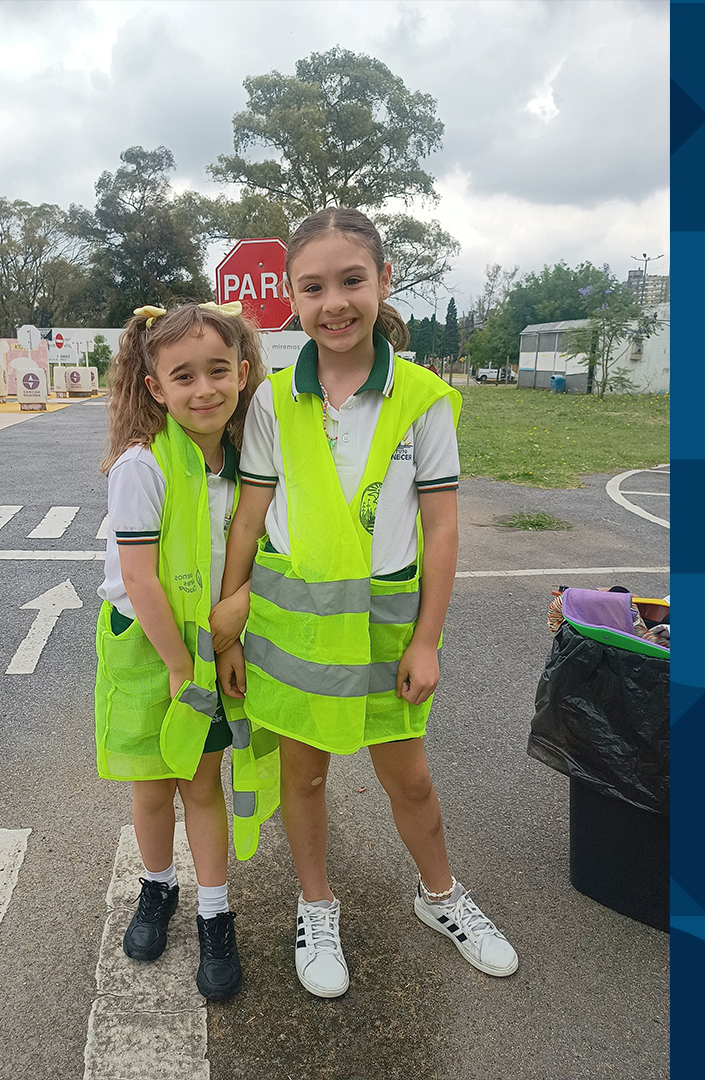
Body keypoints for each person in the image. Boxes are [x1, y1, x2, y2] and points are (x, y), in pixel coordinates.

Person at [214, 208, 518, 998]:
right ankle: (317, 906)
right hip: (293, 635)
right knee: (305, 779)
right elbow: (249, 518)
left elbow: (441, 526)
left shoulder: (423, 398)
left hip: (388, 635)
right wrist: (229, 627)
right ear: (291, 298)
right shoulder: (271, 402)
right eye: (312, 287)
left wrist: (427, 640)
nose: (334, 303)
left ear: (384, 280)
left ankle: (441, 898)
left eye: (352, 280)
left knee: (409, 781)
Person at [94, 299, 269, 1001]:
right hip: (150, 648)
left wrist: (228, 640)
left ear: (243, 373)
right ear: (155, 388)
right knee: (152, 787)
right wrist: (177, 665)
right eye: (183, 376)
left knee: (202, 784)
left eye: (218, 370)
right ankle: (159, 887)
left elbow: (253, 554)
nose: (204, 389)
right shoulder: (142, 465)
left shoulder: (247, 465)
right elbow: (139, 578)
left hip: (208, 644)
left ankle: (215, 913)